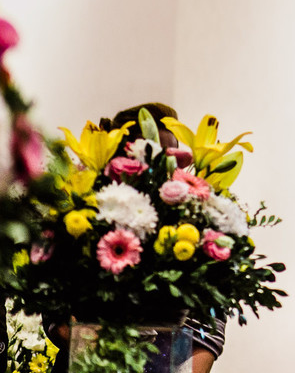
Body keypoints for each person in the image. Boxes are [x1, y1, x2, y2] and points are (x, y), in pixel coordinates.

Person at [45, 103, 227, 373]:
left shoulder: (197, 222)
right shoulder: (81, 214)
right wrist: (97, 353)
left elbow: (208, 328)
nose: (165, 168)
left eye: (171, 157)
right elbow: (54, 311)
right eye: (151, 155)